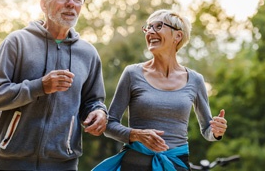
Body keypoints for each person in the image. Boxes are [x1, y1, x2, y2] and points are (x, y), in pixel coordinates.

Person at [0, 0, 108, 171]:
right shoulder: (17, 42)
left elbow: (93, 100)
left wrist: (98, 112)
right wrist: (39, 86)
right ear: (44, 4)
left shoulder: (88, 53)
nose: (71, 4)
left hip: (64, 164)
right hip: (13, 163)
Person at [92, 9, 227, 171]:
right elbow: (109, 125)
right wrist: (137, 134)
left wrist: (216, 131)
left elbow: (207, 130)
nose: (150, 32)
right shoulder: (132, 73)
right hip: (136, 164)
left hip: (176, 164)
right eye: (148, 28)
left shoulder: (195, 80)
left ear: (178, 36)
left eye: (158, 26)